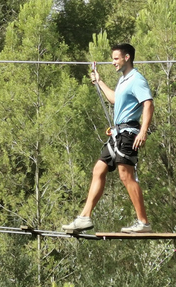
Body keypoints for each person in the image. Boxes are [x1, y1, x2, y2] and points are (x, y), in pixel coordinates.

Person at [62, 43, 154, 233]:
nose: (113, 62)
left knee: (125, 176)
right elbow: (114, 99)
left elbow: (148, 104)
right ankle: (84, 217)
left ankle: (143, 223)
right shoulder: (123, 80)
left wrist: (143, 131)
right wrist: (99, 81)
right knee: (98, 169)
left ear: (126, 57)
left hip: (129, 134)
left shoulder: (136, 79)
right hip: (118, 134)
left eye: (115, 58)